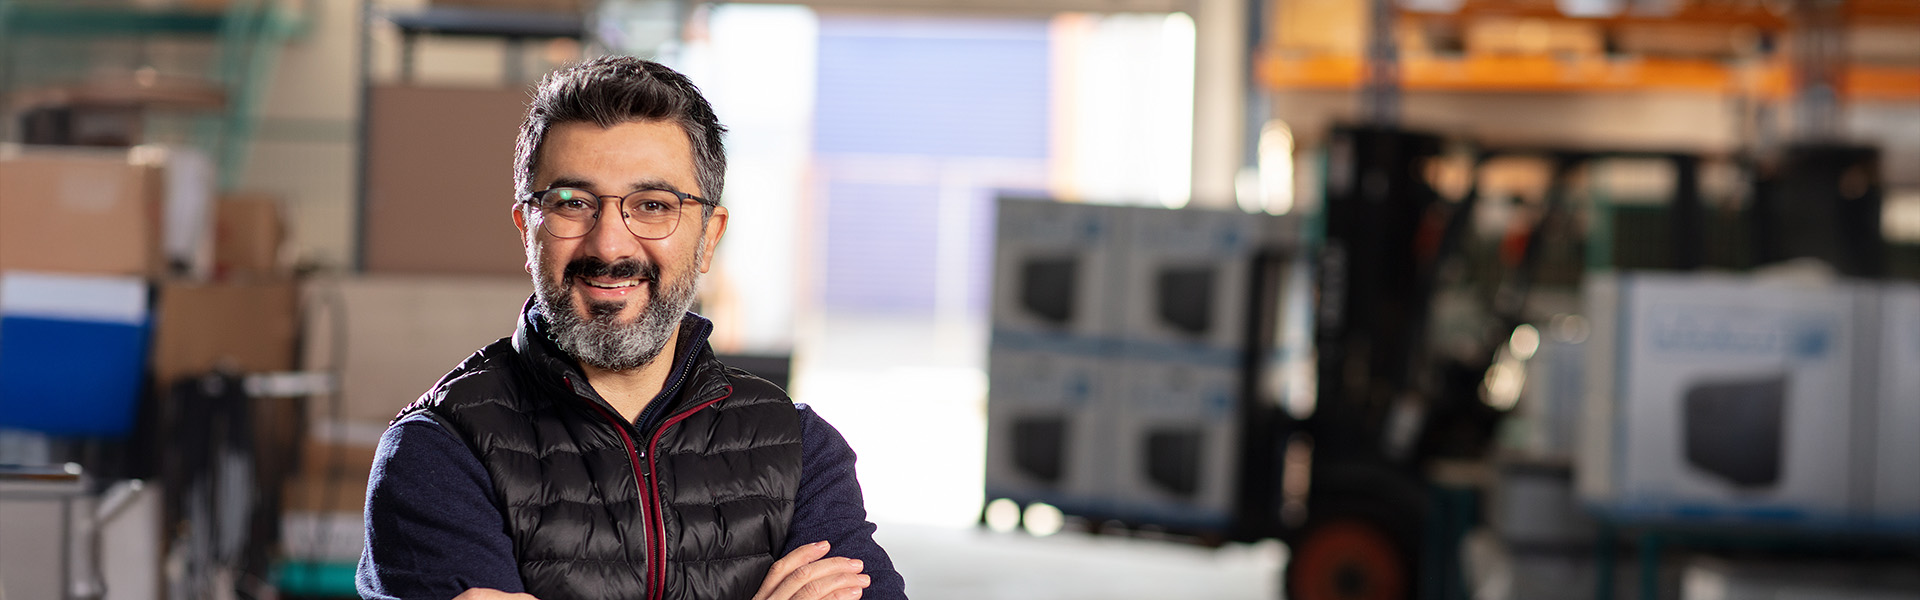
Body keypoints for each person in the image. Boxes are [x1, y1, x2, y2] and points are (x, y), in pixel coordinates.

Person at [356, 56, 906, 600]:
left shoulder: (799, 449)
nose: (610, 245)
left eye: (652, 205)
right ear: (529, 231)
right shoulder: (442, 452)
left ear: (709, 237)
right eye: (572, 203)